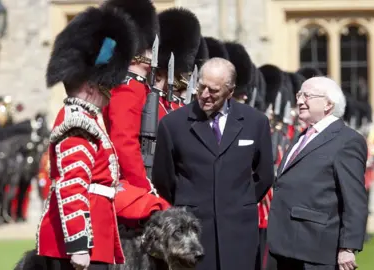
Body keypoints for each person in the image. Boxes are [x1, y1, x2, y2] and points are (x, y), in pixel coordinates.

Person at [36, 5, 166, 269]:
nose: (111, 89)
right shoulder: (78, 123)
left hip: (96, 240)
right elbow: (72, 187)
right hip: (79, 245)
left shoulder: (89, 118)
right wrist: (78, 245)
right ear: (91, 85)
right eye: (106, 82)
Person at [152, 57, 274, 270]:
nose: (205, 95)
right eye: (202, 87)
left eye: (214, 90)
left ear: (230, 90)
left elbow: (264, 175)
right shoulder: (173, 124)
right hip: (193, 231)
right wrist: (190, 202)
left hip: (239, 229)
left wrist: (239, 200)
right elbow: (163, 178)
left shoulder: (256, 122)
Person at [267, 76, 368, 270]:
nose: (299, 101)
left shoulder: (347, 140)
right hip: (287, 245)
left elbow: (354, 198)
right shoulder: (302, 136)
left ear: (328, 104)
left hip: (317, 249)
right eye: (299, 95)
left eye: (307, 95)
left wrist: (348, 247)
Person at [101, 0, 162, 192]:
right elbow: (124, 142)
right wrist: (144, 186)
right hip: (125, 184)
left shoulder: (132, 84)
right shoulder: (129, 87)